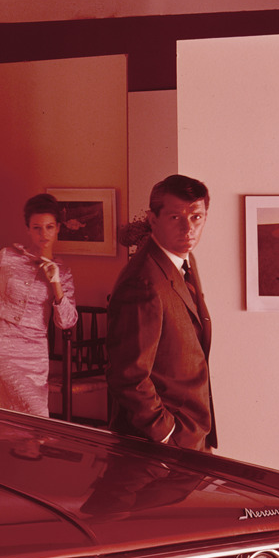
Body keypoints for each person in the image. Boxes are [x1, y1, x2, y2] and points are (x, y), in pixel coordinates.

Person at [106, 175, 216, 450]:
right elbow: (128, 375)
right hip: (161, 443)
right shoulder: (142, 281)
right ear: (153, 219)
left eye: (196, 217)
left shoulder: (184, 260)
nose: (188, 228)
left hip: (191, 433)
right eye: (175, 217)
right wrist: (168, 434)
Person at [0, 193, 78, 416]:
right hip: (1, 343)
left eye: (49, 227)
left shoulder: (63, 273)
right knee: (20, 414)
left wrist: (56, 283)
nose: (43, 234)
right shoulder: (6, 257)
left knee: (38, 414)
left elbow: (66, 322)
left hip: (35, 350)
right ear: (28, 229)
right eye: (37, 228)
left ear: (58, 228)